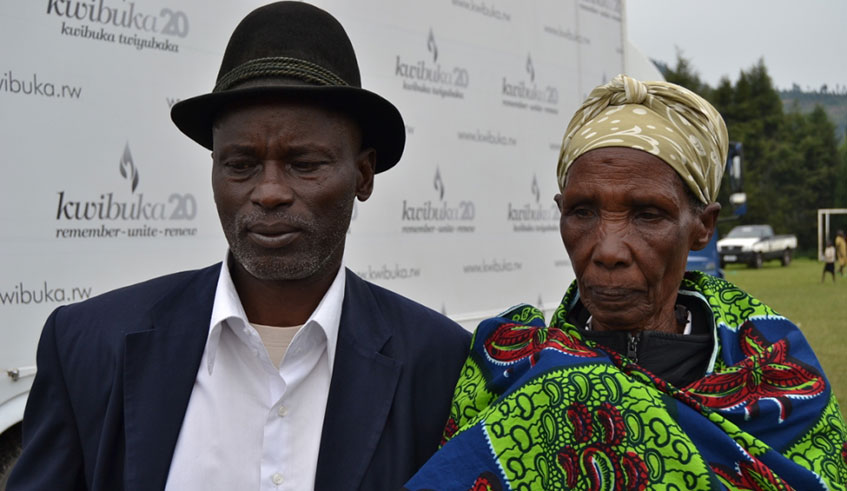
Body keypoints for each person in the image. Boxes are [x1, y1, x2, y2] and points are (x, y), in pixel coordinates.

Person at [8, 3, 470, 490]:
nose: (269, 191)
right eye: (241, 164)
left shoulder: (439, 363)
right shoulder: (89, 345)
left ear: (363, 174)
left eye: (304, 163)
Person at [404, 75, 847, 490]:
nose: (608, 249)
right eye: (583, 212)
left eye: (648, 214)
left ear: (703, 226)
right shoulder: (507, 367)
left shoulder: (776, 371)